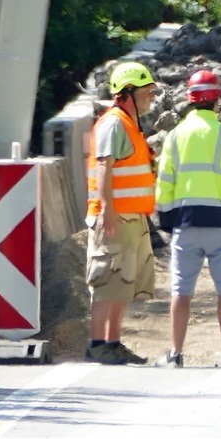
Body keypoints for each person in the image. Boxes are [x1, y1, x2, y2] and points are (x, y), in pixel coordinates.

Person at [154, 69, 221, 368]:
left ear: (190, 100)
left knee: (181, 291)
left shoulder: (174, 137)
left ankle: (175, 354)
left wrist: (168, 222)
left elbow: (165, 183)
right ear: (217, 101)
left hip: (185, 225)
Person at [85, 61, 159, 365]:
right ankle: (97, 344)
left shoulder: (128, 123)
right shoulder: (114, 123)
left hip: (131, 217)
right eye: (147, 91)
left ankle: (113, 342)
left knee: (123, 282)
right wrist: (108, 210)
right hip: (115, 217)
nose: (151, 97)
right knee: (106, 281)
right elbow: (104, 166)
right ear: (128, 92)